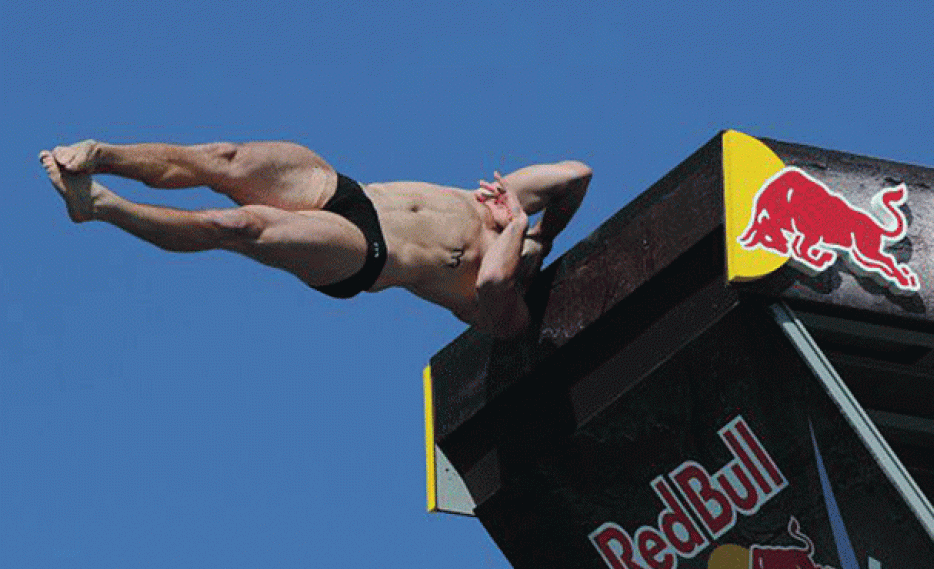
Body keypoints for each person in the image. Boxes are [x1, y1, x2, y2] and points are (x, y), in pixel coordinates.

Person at [40, 140, 591, 338]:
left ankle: (101, 208)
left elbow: (496, 278)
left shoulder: (499, 308)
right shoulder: (501, 212)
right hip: (351, 192)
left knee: (238, 226)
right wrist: (540, 227)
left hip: (363, 252)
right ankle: (105, 154)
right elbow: (575, 175)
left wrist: (518, 224)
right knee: (224, 159)